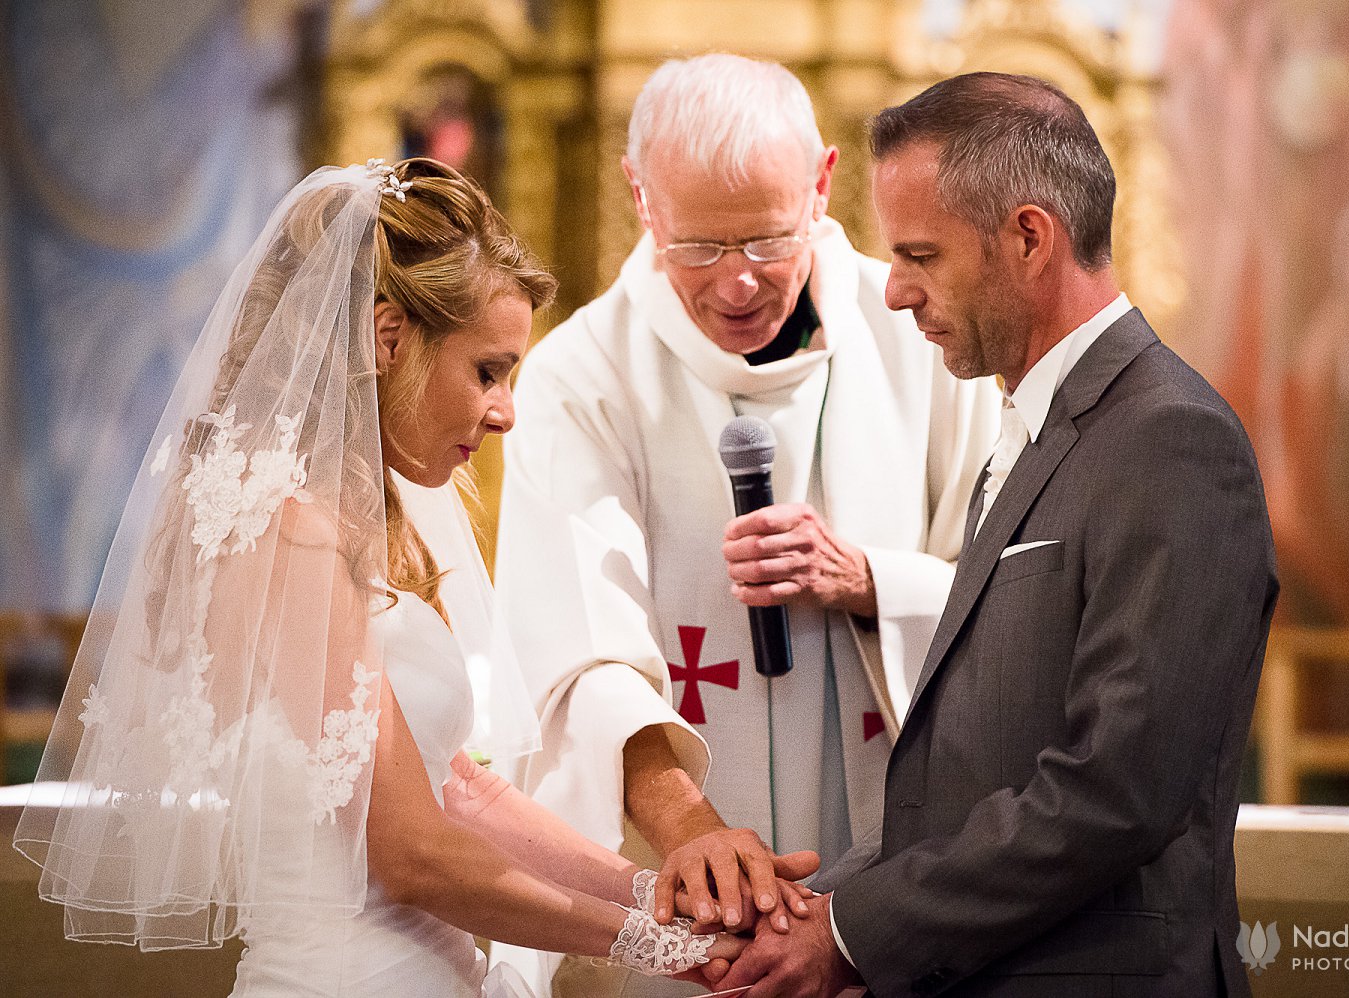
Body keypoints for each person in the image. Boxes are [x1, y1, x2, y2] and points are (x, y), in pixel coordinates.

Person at [13, 158, 742, 996]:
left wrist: (658, 895)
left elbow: (458, 791)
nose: (505, 410)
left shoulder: (353, 516)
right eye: (488, 370)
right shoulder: (289, 531)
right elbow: (412, 854)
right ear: (388, 336)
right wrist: (664, 947)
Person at [714, 73, 1279, 998]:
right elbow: (975, 780)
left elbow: (1117, 791)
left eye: (921, 255)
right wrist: (819, 907)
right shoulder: (1027, 429)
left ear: (1027, 237)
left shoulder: (1170, 440)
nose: (893, 293)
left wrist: (852, 935)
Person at [494, 53, 1001, 994]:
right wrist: (694, 837)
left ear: (821, 184)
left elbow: (1010, 582)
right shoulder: (581, 379)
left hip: (898, 878)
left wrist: (870, 583)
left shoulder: (924, 339)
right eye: (698, 248)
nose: (736, 284)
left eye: (768, 240)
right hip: (687, 890)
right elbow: (573, 647)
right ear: (641, 198)